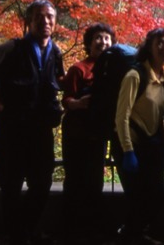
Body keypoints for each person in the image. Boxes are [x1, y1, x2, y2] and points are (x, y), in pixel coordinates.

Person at [0, 0, 65, 245]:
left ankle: (26, 229)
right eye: (39, 16)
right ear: (28, 21)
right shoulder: (13, 48)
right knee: (11, 184)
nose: (45, 21)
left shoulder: (55, 52)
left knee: (42, 183)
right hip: (13, 127)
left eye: (50, 16)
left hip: (41, 128)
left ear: (55, 21)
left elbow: (59, 81)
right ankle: (17, 235)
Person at [112, 28, 164, 245]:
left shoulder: (162, 76)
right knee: (138, 198)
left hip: (151, 148)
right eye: (159, 42)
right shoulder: (135, 75)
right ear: (149, 46)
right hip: (131, 147)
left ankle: (133, 234)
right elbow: (121, 116)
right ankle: (130, 236)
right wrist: (128, 151)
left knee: (157, 196)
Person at [60, 22, 115, 242]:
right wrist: (79, 103)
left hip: (98, 133)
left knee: (95, 181)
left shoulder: (113, 69)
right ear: (89, 43)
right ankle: (71, 228)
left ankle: (91, 229)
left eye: (107, 38)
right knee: (74, 179)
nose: (103, 42)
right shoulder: (79, 69)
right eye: (98, 38)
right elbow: (66, 100)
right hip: (76, 132)